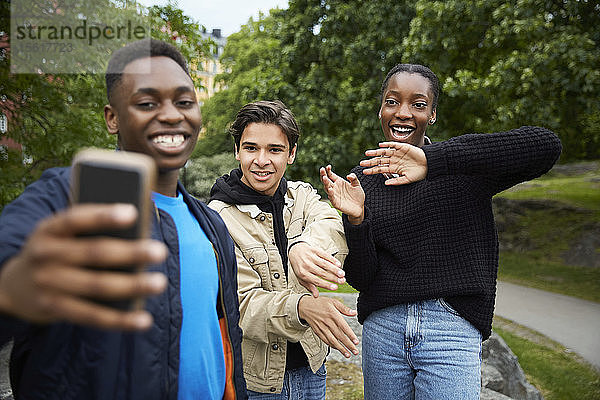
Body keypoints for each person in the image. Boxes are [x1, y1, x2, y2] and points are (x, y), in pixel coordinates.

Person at [0, 38, 246, 399]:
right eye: (147, 103)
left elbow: (223, 342)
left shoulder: (211, 224)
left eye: (184, 101)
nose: (172, 114)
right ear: (112, 118)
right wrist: (12, 290)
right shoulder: (65, 200)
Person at [317, 63, 562, 399]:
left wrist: (433, 160)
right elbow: (362, 277)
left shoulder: (462, 168)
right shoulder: (365, 178)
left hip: (450, 327)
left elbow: (547, 146)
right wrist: (357, 220)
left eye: (418, 104)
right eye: (393, 101)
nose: (403, 113)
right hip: (383, 330)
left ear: (432, 114)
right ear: (380, 109)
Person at [208, 100, 359, 399]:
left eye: (274, 150)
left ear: (291, 154)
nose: (262, 160)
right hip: (257, 383)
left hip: (313, 370)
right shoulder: (218, 218)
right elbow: (240, 305)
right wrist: (302, 308)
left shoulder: (301, 196)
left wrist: (303, 246)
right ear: (237, 151)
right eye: (251, 148)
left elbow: (330, 221)